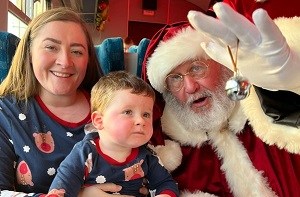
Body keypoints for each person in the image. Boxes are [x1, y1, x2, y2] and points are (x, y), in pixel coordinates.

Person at [141, 4, 300, 197]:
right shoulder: (163, 157)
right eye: (175, 78)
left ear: (222, 65)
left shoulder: (269, 111)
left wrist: (294, 86)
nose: (190, 87)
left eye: (197, 68)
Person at [0, 7, 106, 196]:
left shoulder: (113, 106)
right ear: (29, 53)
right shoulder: (5, 113)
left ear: (88, 59)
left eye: (77, 51)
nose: (65, 62)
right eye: (51, 47)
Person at [47, 71, 179, 197]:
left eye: (146, 114)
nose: (141, 121)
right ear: (99, 121)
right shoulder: (85, 153)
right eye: (128, 112)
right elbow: (60, 190)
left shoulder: (147, 156)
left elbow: (166, 184)